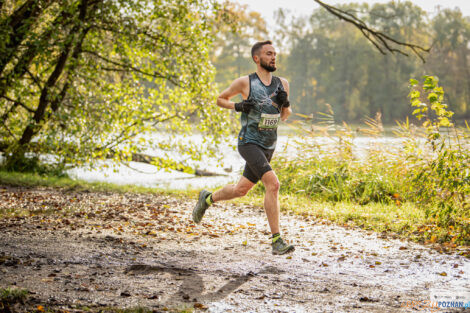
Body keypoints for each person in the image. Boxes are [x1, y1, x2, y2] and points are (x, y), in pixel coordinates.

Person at [192, 40, 294, 255]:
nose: (273, 57)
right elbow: (221, 99)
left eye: (275, 53)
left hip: (268, 145)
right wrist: (237, 105)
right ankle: (277, 241)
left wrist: (285, 104)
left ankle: (207, 198)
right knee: (273, 184)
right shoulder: (245, 82)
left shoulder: (282, 83)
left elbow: (285, 116)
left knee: (241, 190)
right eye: (268, 54)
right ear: (257, 58)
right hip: (248, 142)